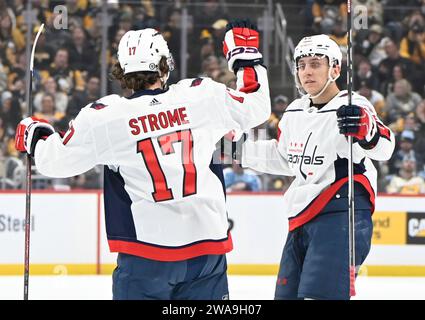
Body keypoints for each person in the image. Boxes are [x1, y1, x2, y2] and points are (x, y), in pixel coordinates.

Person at [15, 20, 270, 300]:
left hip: (146, 256)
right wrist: (246, 60)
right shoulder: (201, 94)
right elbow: (257, 108)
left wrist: (36, 135)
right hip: (207, 253)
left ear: (122, 71)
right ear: (164, 65)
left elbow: (55, 162)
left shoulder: (105, 117)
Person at [236, 34, 395, 300]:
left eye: (315, 64)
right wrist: (234, 150)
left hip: (342, 213)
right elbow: (285, 158)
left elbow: (385, 147)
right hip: (301, 217)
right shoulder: (295, 111)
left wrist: (366, 130)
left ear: (335, 69)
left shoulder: (353, 106)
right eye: (301, 65)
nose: (307, 71)